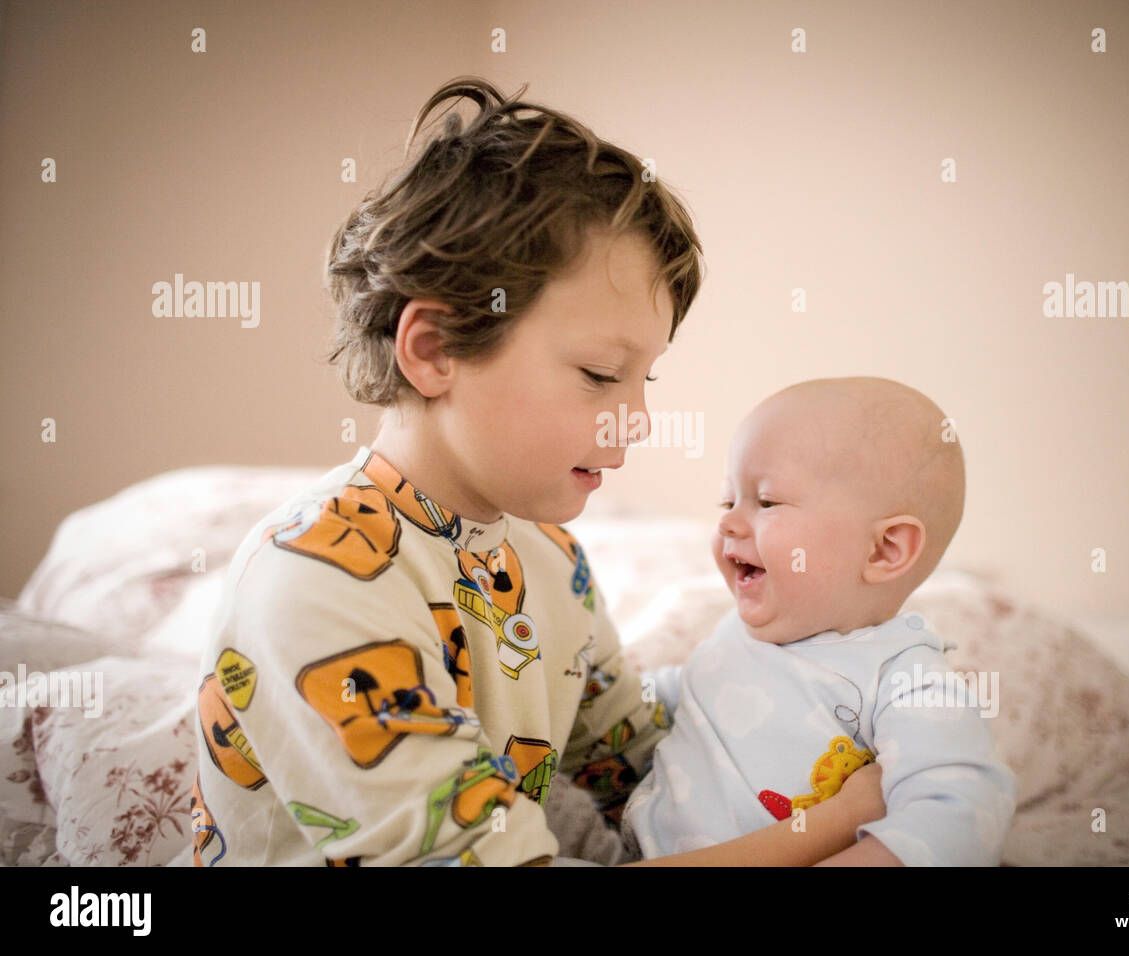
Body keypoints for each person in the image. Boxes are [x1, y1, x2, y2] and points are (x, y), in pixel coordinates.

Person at [188, 77, 883, 867]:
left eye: (643, 379)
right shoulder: (315, 582)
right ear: (435, 348)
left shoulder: (549, 557)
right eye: (598, 373)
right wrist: (827, 828)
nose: (639, 421)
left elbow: (647, 766)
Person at [621, 377, 1018, 866]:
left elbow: (959, 817)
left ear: (883, 550)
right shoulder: (734, 635)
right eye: (728, 501)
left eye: (766, 502)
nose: (727, 523)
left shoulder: (905, 680)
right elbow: (683, 700)